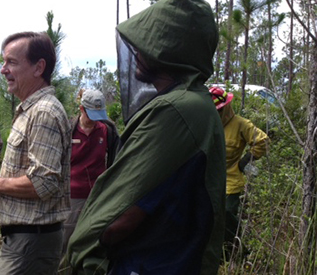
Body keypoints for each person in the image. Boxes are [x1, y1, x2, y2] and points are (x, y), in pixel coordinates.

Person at [66, 0, 227, 274]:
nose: (137, 50)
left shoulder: (176, 110)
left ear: (171, 48)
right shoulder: (195, 104)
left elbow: (118, 218)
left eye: (149, 41)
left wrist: (85, 249)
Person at [0, 31, 71, 275]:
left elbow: (43, 183)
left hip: (31, 243)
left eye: (12, 62)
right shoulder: (30, 109)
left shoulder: (44, 112)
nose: (3, 69)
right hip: (24, 242)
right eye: (3, 62)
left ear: (39, 68)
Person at [209, 86, 269, 259]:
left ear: (227, 106)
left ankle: (236, 249)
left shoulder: (241, 124)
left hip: (231, 180)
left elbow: (262, 140)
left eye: (220, 110)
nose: (218, 114)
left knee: (227, 213)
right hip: (207, 178)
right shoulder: (206, 122)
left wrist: (246, 160)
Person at [62, 89, 119, 254]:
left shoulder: (107, 131)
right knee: (66, 243)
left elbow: (116, 159)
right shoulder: (68, 130)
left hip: (97, 197)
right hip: (71, 198)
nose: (95, 121)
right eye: (91, 115)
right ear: (82, 109)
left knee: (91, 244)